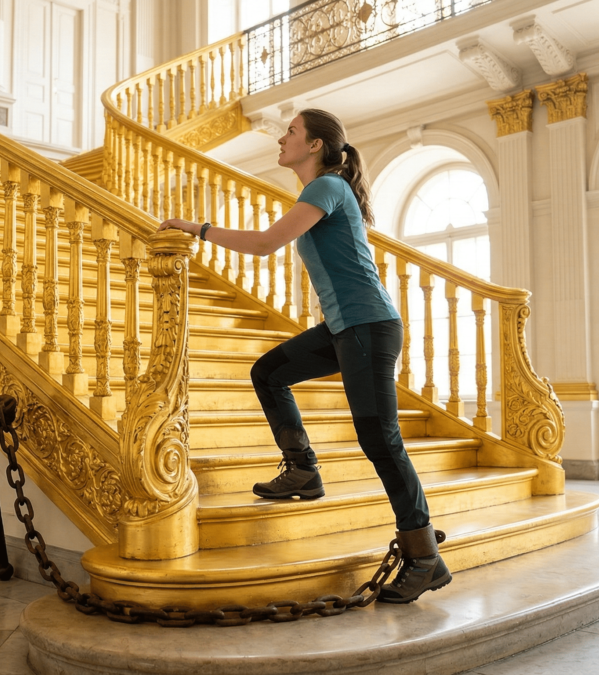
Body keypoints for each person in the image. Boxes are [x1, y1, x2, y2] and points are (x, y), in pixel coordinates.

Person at [158, 109, 451, 604]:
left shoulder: (327, 187)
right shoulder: (324, 189)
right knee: (268, 372)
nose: (281, 137)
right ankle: (303, 470)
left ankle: (423, 555)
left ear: (314, 145)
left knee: (380, 439)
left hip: (366, 326)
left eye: (291, 131)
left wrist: (197, 228)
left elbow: (266, 244)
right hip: (345, 327)